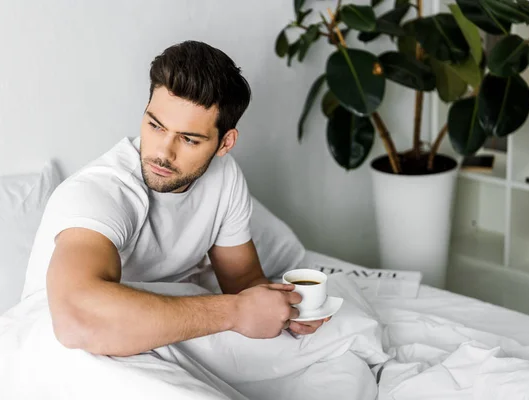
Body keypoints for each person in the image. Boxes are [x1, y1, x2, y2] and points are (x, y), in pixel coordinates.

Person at [20, 40, 327, 357]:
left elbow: (242, 280)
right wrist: (234, 312)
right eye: (155, 125)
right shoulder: (101, 192)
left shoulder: (224, 177)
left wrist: (281, 309)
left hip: (163, 333)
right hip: (63, 348)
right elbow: (76, 322)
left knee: (341, 345)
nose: (162, 153)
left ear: (225, 143)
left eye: (189, 139)